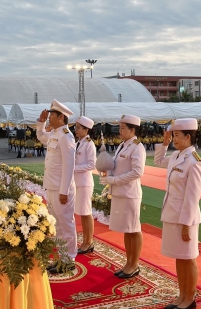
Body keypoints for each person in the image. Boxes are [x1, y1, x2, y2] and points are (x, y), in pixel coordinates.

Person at [154, 118, 201, 309]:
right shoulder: (176, 156)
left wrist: (186, 223)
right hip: (171, 213)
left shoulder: (195, 162)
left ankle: (190, 299)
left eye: (176, 135)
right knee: (179, 256)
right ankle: (181, 295)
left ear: (188, 137)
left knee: (188, 257)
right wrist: (164, 143)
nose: (174, 138)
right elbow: (158, 160)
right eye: (173, 135)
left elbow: (193, 197)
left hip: (186, 218)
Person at [99, 114, 146, 279]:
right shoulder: (123, 145)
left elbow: (137, 172)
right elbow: (117, 165)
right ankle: (128, 262)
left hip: (130, 194)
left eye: (123, 128)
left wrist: (115, 180)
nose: (120, 131)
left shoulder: (137, 147)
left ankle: (134, 264)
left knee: (134, 229)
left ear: (132, 130)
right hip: (120, 192)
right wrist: (107, 172)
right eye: (119, 127)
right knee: (127, 230)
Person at [36, 99, 77, 273]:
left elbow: (69, 166)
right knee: (58, 225)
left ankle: (69, 259)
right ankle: (62, 257)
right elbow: (40, 136)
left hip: (61, 189)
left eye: (52, 114)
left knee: (66, 224)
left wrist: (64, 191)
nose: (50, 117)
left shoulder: (66, 136)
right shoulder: (54, 134)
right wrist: (41, 122)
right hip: (52, 186)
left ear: (61, 117)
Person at [74, 116, 97, 254]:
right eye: (75, 127)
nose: (76, 130)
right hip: (78, 183)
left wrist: (74, 168)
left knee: (86, 213)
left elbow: (92, 164)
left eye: (78, 128)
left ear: (86, 129)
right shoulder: (79, 142)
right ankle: (86, 241)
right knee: (83, 213)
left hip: (85, 183)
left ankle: (88, 242)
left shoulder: (89, 144)